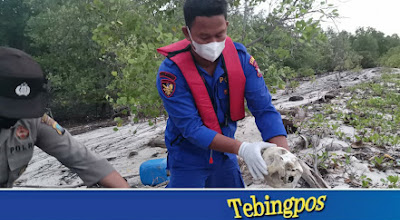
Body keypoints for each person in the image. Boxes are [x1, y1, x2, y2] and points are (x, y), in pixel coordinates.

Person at [156, 0, 290, 188]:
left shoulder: (241, 59)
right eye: (204, 37)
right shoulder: (171, 73)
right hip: (187, 158)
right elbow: (191, 129)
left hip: (225, 156)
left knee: (235, 213)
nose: (213, 43)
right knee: (185, 215)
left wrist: (284, 155)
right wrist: (242, 149)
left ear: (226, 26)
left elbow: (264, 109)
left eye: (220, 35)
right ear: (187, 33)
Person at [0, 47, 130, 188]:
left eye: (24, 106)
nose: (17, 116)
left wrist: (130, 199)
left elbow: (83, 159)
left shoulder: (31, 119)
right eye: (9, 107)